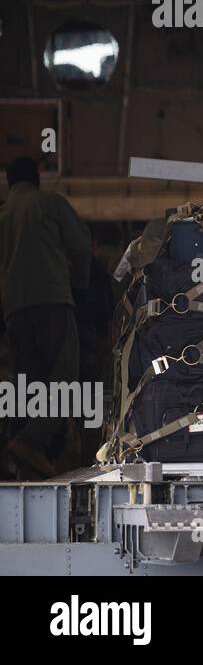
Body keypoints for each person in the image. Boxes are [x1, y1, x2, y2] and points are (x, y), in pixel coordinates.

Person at [0, 156, 92, 476]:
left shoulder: (3, 214)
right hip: (52, 301)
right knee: (65, 378)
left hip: (14, 311)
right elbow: (81, 247)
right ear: (36, 179)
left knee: (26, 384)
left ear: (9, 182)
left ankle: (17, 456)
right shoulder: (49, 203)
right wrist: (81, 284)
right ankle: (32, 441)